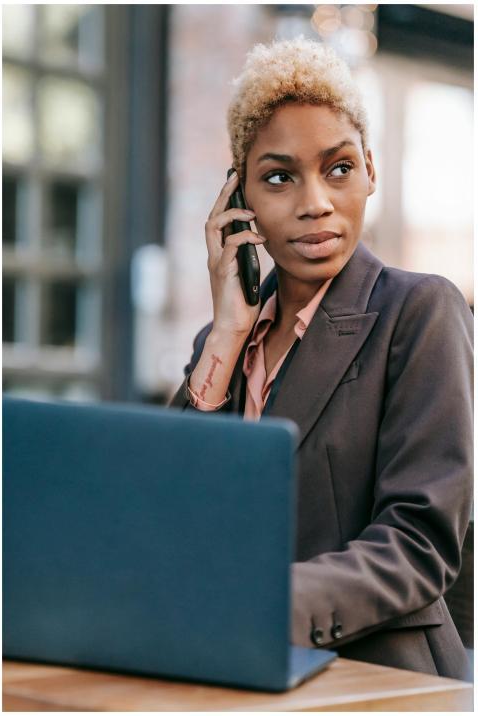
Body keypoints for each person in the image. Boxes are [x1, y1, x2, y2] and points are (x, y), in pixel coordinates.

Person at [169, 36, 472, 680]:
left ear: (370, 168)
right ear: (238, 200)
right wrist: (226, 336)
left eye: (338, 168)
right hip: (229, 670)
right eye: (280, 177)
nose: (315, 202)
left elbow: (420, 542)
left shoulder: (419, 313)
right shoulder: (217, 346)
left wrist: (259, 604)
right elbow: (173, 516)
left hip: (377, 677)